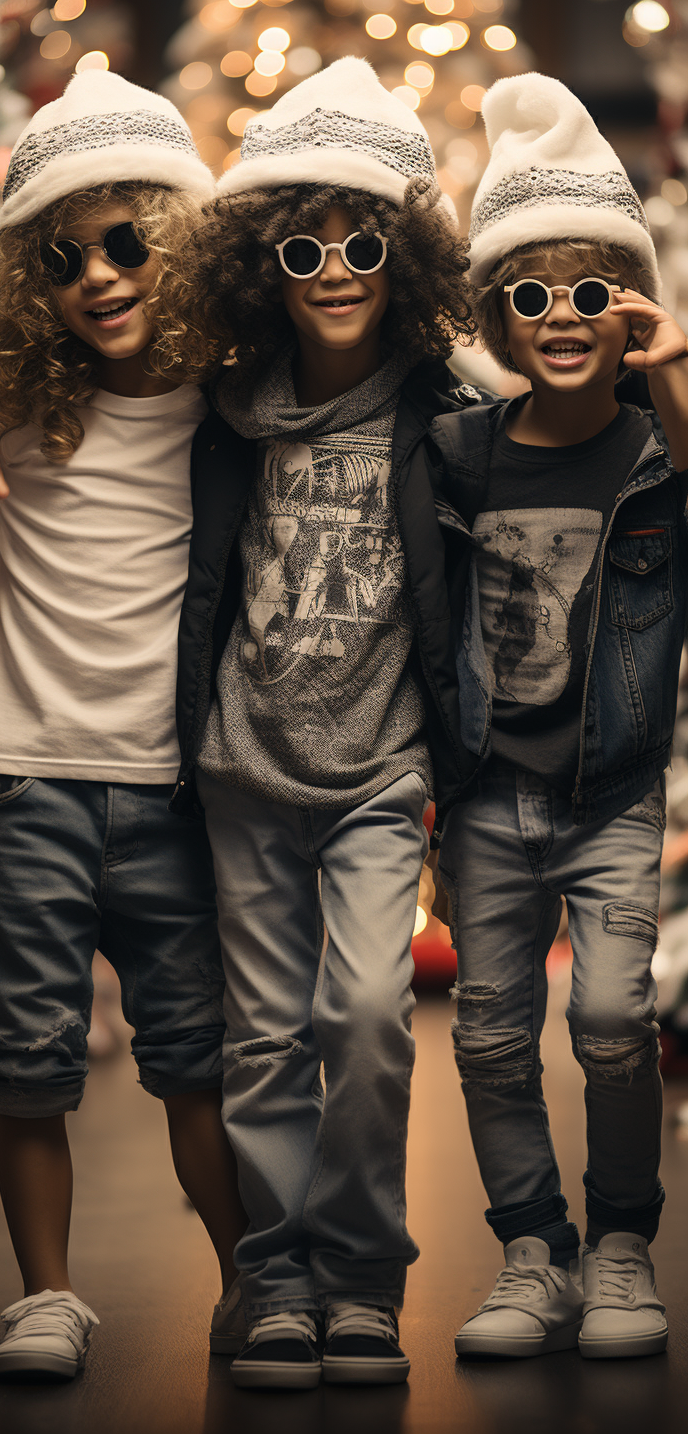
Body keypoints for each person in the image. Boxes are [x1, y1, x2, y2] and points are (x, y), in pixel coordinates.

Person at [166, 55, 485, 1390]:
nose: (338, 266)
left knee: (359, 1015)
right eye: (305, 243)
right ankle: (278, 1273)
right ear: (265, 263)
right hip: (245, 765)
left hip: (377, 771)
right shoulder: (228, 410)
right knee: (262, 1040)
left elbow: (567, 425)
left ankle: (361, 1277)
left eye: (367, 241)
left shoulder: (443, 400)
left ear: (403, 254)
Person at [0, 70, 248, 1380]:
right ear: (32, 283)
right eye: (66, 258)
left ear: (177, 249)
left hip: (170, 779)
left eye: (130, 242)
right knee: (25, 1057)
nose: (101, 276)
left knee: (194, 1057)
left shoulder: (218, 400)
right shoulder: (5, 413)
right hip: (30, 778)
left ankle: (252, 1285)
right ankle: (47, 1296)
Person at [431, 72, 688, 1361]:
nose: (563, 319)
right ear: (497, 313)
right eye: (530, 296)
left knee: (607, 1022)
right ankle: (534, 1249)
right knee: (487, 1033)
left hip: (612, 792)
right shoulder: (465, 455)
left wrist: (675, 358)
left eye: (591, 293)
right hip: (486, 793)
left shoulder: (655, 451)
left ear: (625, 307)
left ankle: (626, 1243)